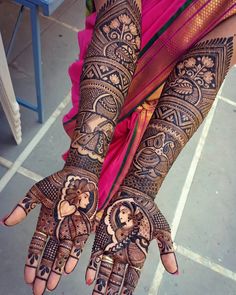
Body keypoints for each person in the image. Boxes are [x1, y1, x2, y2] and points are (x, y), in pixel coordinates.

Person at [1, 0, 236, 294]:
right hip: (109, 53)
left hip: (167, 96)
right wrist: (84, 160)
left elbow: (215, 55)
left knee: (123, 176)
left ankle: (112, 195)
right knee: (93, 155)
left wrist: (142, 185)